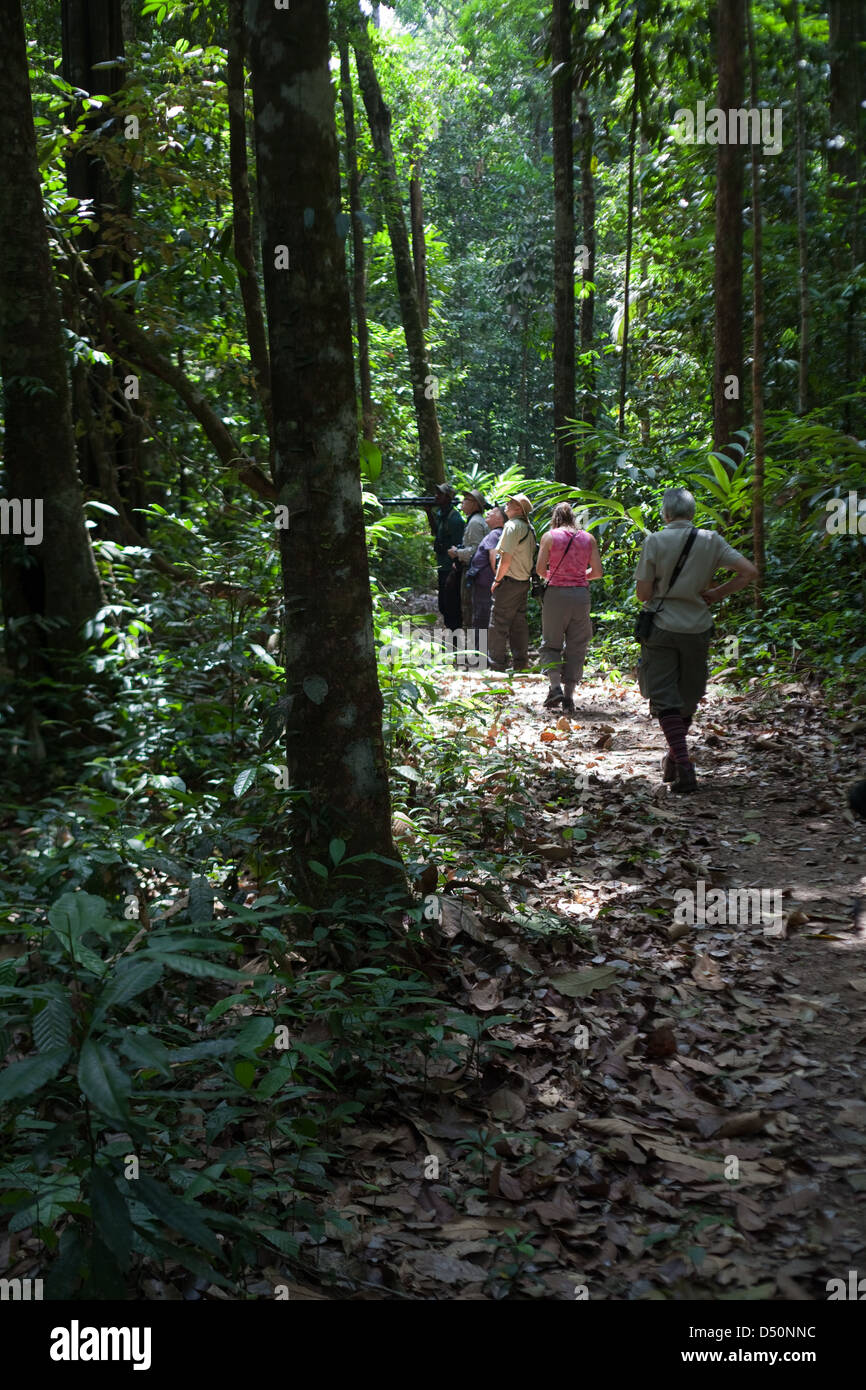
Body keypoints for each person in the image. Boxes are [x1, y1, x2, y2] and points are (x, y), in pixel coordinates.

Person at [634, 486, 758, 793]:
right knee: (687, 696)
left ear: (665, 514)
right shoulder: (710, 540)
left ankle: (683, 762)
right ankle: (676, 760)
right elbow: (748, 571)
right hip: (698, 626)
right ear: (693, 513)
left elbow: (643, 594)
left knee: (664, 696)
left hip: (661, 625)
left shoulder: (655, 541)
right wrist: (716, 594)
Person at [536, 503, 603, 714]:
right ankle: (569, 697)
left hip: (556, 595)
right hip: (581, 596)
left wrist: (557, 577)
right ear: (573, 517)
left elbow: (539, 569)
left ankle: (555, 686)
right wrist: (580, 576)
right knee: (577, 644)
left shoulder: (549, 537)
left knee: (551, 642)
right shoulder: (588, 538)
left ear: (555, 517)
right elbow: (598, 572)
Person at [489, 493, 535, 672]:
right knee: (518, 623)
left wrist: (497, 579)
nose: (506, 505)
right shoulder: (528, 528)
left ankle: (497, 664)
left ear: (518, 509)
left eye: (510, 503)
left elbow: (505, 559)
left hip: (509, 582)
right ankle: (520, 663)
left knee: (498, 622)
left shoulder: (512, 526)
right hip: (523, 582)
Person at [425, 484, 464, 630]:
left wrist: (455, 571)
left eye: (440, 494)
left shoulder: (455, 520)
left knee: (451, 607)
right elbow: (437, 532)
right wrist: (429, 513)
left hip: (451, 569)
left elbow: (460, 546)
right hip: (443, 567)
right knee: (444, 605)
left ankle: (456, 641)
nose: (436, 497)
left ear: (448, 498)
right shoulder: (443, 515)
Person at [448, 490, 489, 630]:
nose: (462, 502)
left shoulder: (475, 523)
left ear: (475, 505)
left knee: (470, 609)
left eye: (466, 500)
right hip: (474, 571)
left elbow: (477, 550)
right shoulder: (474, 520)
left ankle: (475, 647)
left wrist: (457, 553)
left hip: (473, 572)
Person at [466, 505, 505, 629]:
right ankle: (479, 647)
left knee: (481, 618)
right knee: (481, 617)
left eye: (493, 512)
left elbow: (494, 558)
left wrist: (496, 580)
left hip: (486, 585)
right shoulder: (497, 533)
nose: (488, 513)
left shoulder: (495, 534)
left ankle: (478, 648)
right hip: (485, 584)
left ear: (501, 519)